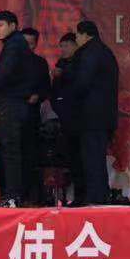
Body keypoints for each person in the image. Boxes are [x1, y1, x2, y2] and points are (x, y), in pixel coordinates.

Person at [0, 9, 33, 207]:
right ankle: (14, 197)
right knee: (12, 152)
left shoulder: (15, 45)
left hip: (11, 104)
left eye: (0, 25)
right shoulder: (12, 45)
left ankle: (12, 197)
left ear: (13, 25)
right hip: (10, 104)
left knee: (11, 153)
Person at [63, 19, 119, 205]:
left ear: (85, 35)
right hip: (103, 115)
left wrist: (69, 95)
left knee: (91, 159)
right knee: (97, 158)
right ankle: (99, 196)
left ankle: (95, 198)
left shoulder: (89, 53)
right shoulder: (105, 52)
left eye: (77, 36)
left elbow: (82, 83)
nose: (76, 39)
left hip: (91, 116)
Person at [19, 27, 53, 205]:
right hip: (12, 116)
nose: (27, 47)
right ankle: (13, 197)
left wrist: (38, 96)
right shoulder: (9, 61)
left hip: (31, 117)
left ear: (36, 44)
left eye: (31, 44)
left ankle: (33, 199)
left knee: (31, 158)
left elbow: (47, 88)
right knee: (12, 158)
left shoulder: (40, 63)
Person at [50, 32, 82, 201]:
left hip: (79, 117)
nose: (63, 49)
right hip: (64, 117)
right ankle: (69, 196)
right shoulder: (60, 64)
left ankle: (81, 194)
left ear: (76, 45)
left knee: (80, 156)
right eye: (61, 46)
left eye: (66, 46)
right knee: (68, 157)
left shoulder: (80, 62)